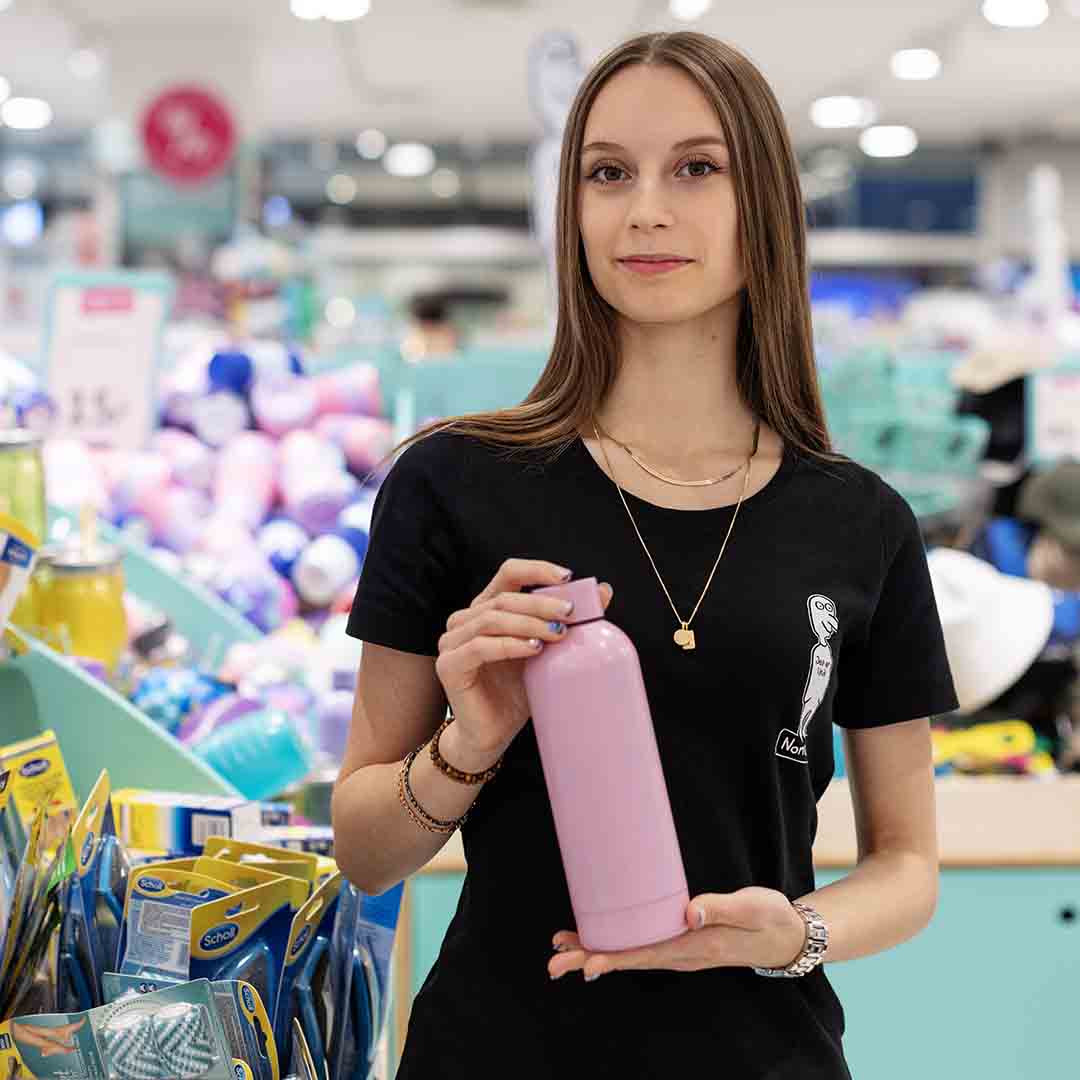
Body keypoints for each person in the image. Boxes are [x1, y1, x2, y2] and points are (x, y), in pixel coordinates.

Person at [331, 30, 958, 1080]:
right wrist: (469, 742)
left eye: (697, 168)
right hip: (500, 1050)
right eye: (608, 172)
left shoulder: (862, 522)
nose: (646, 210)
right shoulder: (454, 483)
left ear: (764, 204)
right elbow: (362, 849)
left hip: (765, 1055)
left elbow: (908, 864)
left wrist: (792, 934)